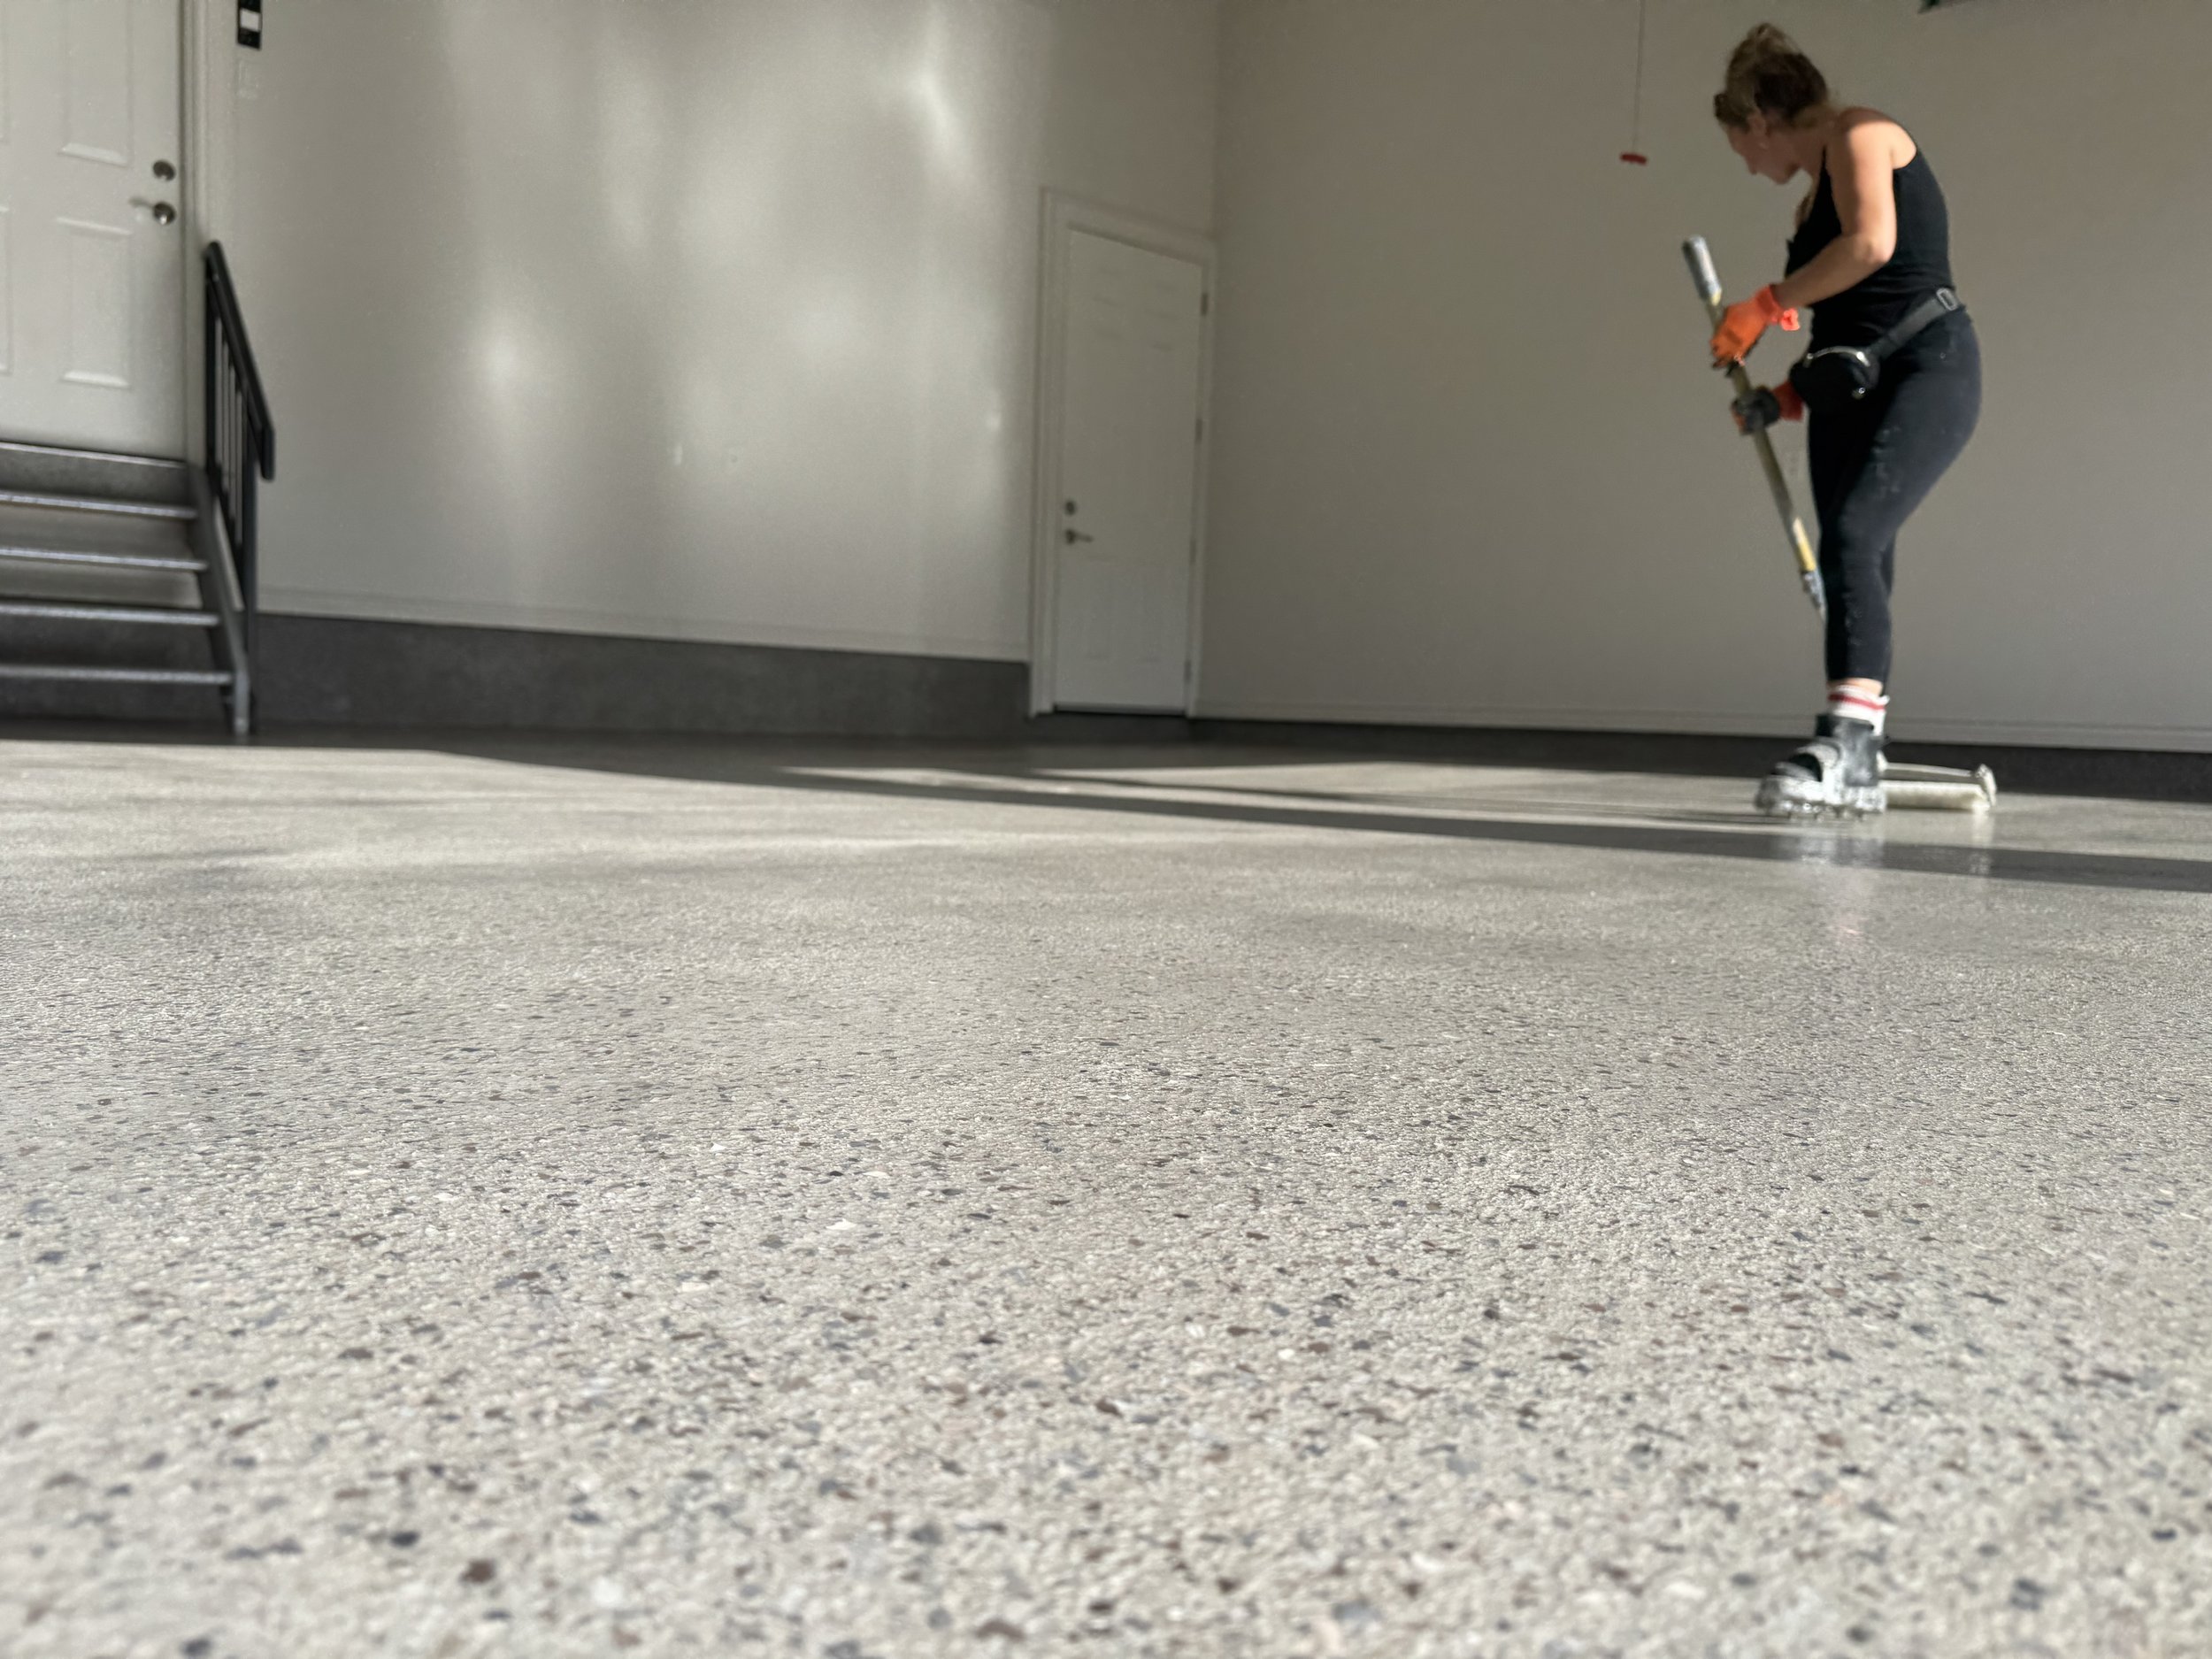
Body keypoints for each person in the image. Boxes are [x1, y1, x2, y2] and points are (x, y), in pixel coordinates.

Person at [1709, 25, 1981, 817]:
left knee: (1856, 534)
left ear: (1759, 119)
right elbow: (1845, 335)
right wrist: (1784, 398)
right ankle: (1858, 743)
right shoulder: (1806, 203)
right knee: (1854, 557)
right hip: (1853, 389)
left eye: (1740, 144)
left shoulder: (1864, 134)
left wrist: (1769, 301)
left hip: (1929, 369)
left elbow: (1871, 245)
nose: (1747, 163)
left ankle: (1848, 743)